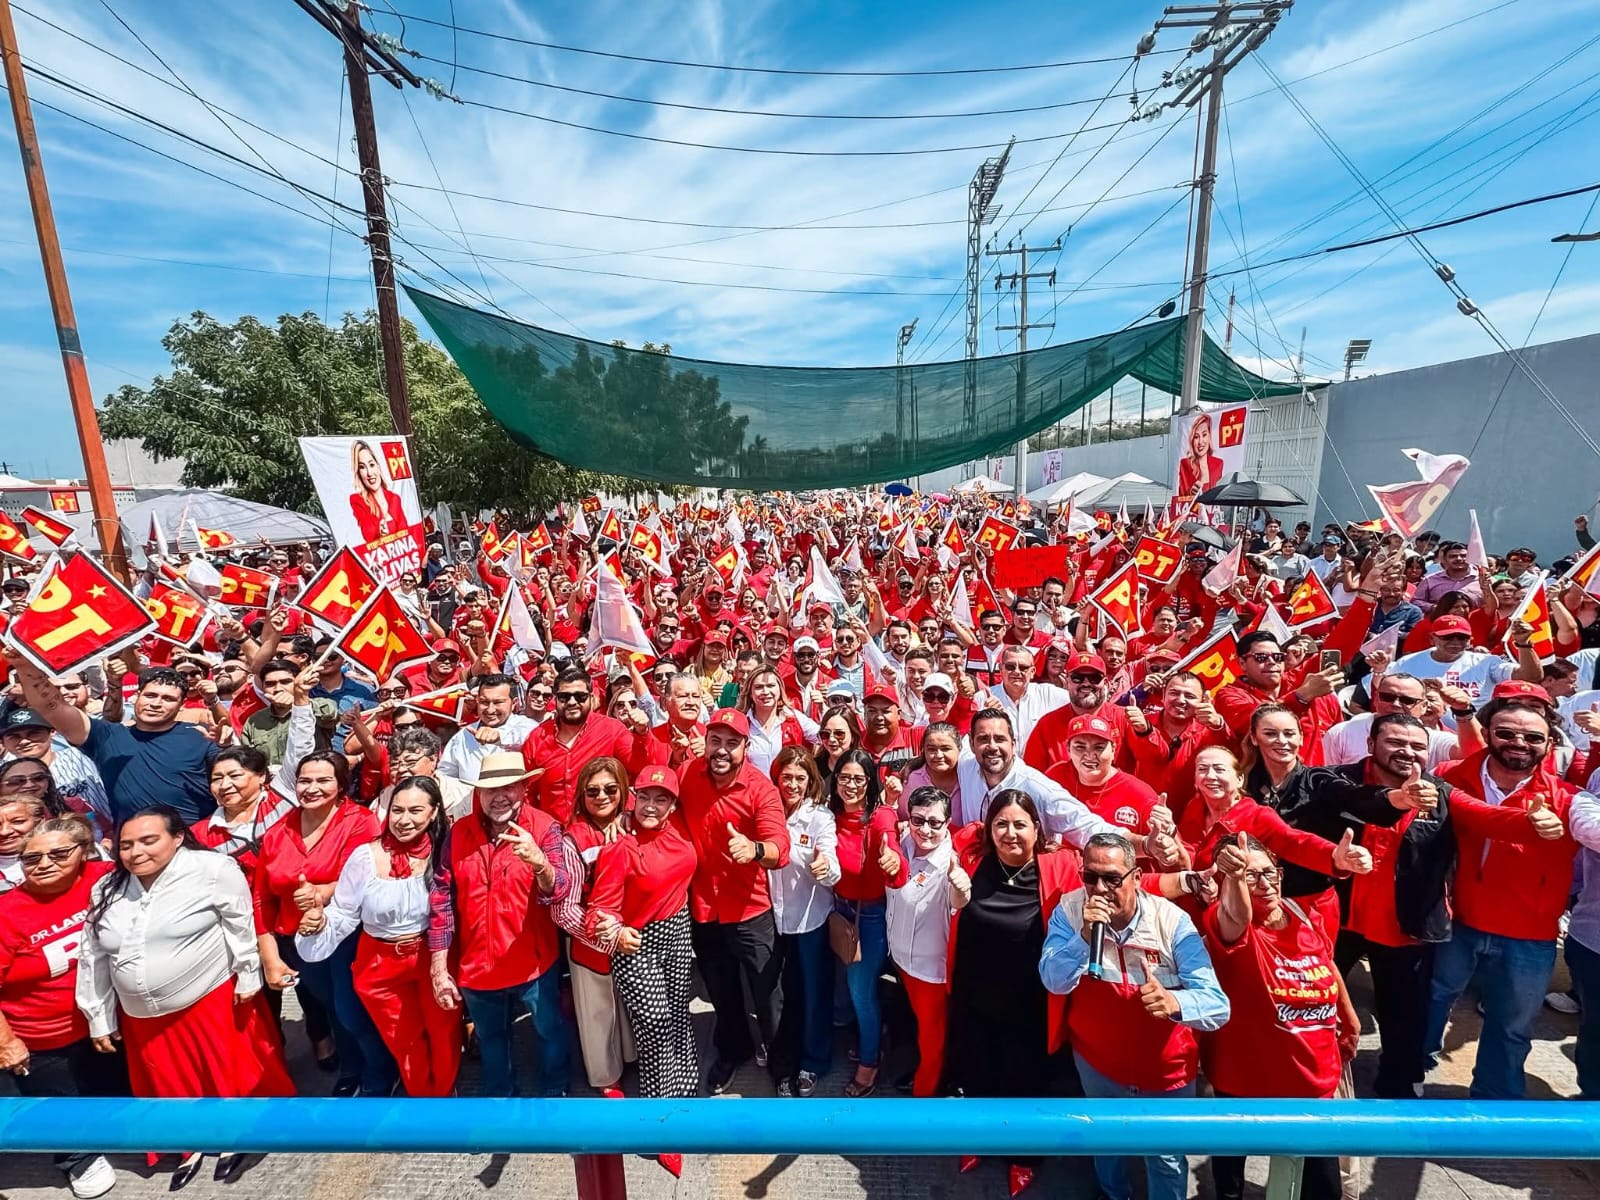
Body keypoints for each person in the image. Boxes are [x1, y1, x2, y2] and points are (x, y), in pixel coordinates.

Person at [78, 807, 292, 1189]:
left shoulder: (212, 869)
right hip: (140, 1014)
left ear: (177, 837)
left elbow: (240, 923)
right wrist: (99, 1016)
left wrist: (247, 977)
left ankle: (235, 1138)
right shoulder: (106, 887)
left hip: (210, 998)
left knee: (227, 1071)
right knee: (169, 1081)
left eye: (148, 840)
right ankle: (189, 1143)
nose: (135, 852)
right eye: (126, 845)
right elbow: (92, 955)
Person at [1040, 831, 1230, 1200]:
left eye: (1111, 878)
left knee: (1165, 1159)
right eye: (1090, 877)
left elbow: (1217, 1005)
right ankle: (1114, 1194)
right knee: (1104, 1143)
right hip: (1097, 1065)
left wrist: (1177, 1005)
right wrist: (1082, 938)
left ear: (1136, 878)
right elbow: (1053, 981)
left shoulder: (1171, 921)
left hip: (1165, 1075)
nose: (1099, 889)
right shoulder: (1069, 910)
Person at [1425, 697, 1583, 1098]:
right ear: (1487, 733)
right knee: (1428, 1005)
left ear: (1550, 744)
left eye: (1533, 737)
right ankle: (1407, 1078)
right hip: (1455, 923)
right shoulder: (1447, 777)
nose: (1519, 742)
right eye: (1507, 733)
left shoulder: (1568, 799)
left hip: (1530, 933)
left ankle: (1496, 1104)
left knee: (1512, 1027)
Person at [1202, 834, 1355, 1200]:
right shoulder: (1229, 923)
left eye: (1268, 873)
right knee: (1230, 1184)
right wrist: (1234, 879)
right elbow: (1235, 912)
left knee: (1323, 1189)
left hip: (1312, 1079)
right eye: (1249, 876)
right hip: (1245, 1079)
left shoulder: (1302, 913)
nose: (1264, 884)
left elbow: (1326, 961)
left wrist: (1349, 1017)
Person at [945, 791, 1081, 1195]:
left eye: (1020, 824)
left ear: (1037, 830)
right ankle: (978, 1140)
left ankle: (1023, 1155)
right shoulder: (972, 860)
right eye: (1001, 824)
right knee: (976, 1070)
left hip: (1029, 1001)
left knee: (1024, 1078)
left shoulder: (1059, 867)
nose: (1010, 833)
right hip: (973, 995)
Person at [298, 776, 460, 1098]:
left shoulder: (446, 850)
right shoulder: (364, 857)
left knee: (443, 1033)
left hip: (432, 956)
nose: (404, 820)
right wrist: (318, 924)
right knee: (404, 1038)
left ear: (433, 812)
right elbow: (344, 912)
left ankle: (443, 1098)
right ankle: (421, 1097)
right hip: (380, 964)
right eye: (397, 810)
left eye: (416, 810)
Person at [427, 752, 570, 1097]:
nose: (500, 796)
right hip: (477, 967)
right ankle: (501, 1101)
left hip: (533, 965)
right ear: (478, 793)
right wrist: (438, 966)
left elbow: (561, 888)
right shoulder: (459, 832)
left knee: (549, 1031)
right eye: (490, 789)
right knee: (491, 1039)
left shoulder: (544, 826)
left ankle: (557, 1092)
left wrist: (540, 864)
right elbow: (441, 897)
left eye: (509, 787)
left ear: (524, 788)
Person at [0, 816, 126, 1199]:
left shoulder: (105, 878)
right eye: (30, 858)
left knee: (111, 1098)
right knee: (58, 1107)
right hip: (40, 1037)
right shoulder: (8, 912)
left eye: (58, 853)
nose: (44, 863)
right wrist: (6, 1042)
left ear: (83, 852)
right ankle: (77, 1158)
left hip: (108, 1024)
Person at [1333, 714, 1457, 1099]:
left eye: (1418, 745)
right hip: (1337, 919)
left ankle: (1399, 1088)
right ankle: (1318, 1078)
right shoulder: (1335, 783)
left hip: (1406, 924)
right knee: (1317, 1002)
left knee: (1403, 1015)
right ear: (1371, 744)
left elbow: (1485, 821)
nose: (1407, 752)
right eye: (1395, 742)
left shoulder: (1444, 794)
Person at [255, 752, 393, 1097]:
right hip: (300, 942)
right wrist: (270, 954)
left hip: (349, 937)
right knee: (332, 1010)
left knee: (351, 1010)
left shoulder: (360, 821)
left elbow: (365, 876)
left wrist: (324, 892)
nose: (311, 788)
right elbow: (261, 897)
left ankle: (381, 1071)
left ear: (341, 784)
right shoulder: (277, 832)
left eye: (322, 780)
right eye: (304, 780)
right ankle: (351, 1068)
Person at [676, 708, 790, 1093]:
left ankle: (780, 1062)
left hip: (749, 909)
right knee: (721, 990)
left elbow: (780, 847)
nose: (721, 750)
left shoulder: (761, 789)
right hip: (704, 907)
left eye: (732, 743)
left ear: (746, 747)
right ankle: (733, 1050)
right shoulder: (689, 774)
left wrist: (756, 848)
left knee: (768, 994)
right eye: (715, 741)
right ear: (705, 743)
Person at [588, 764, 699, 1115]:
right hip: (638, 944)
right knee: (654, 1024)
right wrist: (615, 932)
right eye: (645, 797)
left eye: (662, 799)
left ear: (673, 806)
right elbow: (597, 911)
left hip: (679, 931)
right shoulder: (620, 848)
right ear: (632, 800)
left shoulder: (677, 829)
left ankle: (685, 1088)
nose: (652, 806)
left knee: (679, 1014)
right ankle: (658, 1113)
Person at [4, 652, 218, 825]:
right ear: (137, 696)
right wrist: (24, 666)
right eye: (150, 695)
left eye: (168, 699)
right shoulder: (105, 736)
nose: (156, 703)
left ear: (181, 706)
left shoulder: (200, 736)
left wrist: (226, 746)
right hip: (134, 853)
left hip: (195, 846)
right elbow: (52, 706)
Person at [826, 747, 908, 1096]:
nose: (851, 785)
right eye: (844, 778)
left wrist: (892, 860)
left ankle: (870, 1063)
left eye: (859, 779)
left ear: (869, 782)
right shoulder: (828, 817)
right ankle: (866, 1038)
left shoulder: (878, 819)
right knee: (848, 989)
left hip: (868, 917)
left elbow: (895, 858)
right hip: (838, 911)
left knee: (862, 994)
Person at [555, 757, 636, 1093]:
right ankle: (606, 1077)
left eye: (610, 789)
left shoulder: (635, 823)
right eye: (592, 791)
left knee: (631, 1003)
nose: (601, 796)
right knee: (596, 1012)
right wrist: (602, 935)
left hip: (634, 931)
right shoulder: (572, 839)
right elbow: (563, 909)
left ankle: (631, 1058)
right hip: (591, 939)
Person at [886, 785, 969, 1098]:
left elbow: (958, 900)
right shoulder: (903, 841)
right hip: (901, 960)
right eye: (918, 820)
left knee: (931, 1043)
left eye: (935, 823)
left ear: (947, 823)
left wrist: (961, 887)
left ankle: (922, 1105)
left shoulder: (950, 864)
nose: (925, 829)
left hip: (930, 973)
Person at [766, 746, 838, 1098]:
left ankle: (813, 1060)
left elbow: (830, 858)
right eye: (786, 777)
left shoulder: (820, 818)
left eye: (800, 778)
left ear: (811, 781)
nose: (792, 784)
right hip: (771, 919)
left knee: (813, 993)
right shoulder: (766, 813)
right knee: (780, 996)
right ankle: (783, 1061)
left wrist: (826, 868)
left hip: (809, 919)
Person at [522, 667, 654, 823]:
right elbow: (527, 793)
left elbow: (640, 769)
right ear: (555, 699)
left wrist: (642, 734)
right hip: (554, 836)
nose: (572, 702)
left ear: (591, 698)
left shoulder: (612, 730)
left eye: (580, 696)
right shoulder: (537, 738)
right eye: (564, 697)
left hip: (602, 832)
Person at [1213, 632, 1344, 765]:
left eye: (1278, 657)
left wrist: (1363, 610)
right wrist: (1300, 697)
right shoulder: (1228, 695)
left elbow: (1342, 645)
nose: (1271, 662)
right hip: (1261, 782)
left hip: (1314, 779)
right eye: (1261, 657)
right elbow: (1260, 720)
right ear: (1242, 663)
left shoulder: (1295, 681)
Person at [0, 702, 109, 837]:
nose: (24, 741)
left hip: (104, 834)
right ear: (3, 742)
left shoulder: (81, 756)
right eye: (14, 736)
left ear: (52, 732)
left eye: (33, 733)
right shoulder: (5, 775)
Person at [1321, 669, 1458, 769]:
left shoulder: (1435, 739)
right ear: (1375, 700)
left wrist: (1464, 711)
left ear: (1424, 707)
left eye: (1407, 700)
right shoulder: (1342, 732)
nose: (1396, 704)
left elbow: (1472, 754)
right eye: (1388, 697)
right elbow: (1325, 775)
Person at [437, 673, 538, 782]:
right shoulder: (463, 736)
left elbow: (528, 736)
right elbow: (446, 775)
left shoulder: (528, 727)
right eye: (484, 702)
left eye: (498, 702)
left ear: (514, 703)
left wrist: (499, 736)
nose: (490, 710)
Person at [740, 667, 818, 777]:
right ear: (750, 692)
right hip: (753, 791)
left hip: (788, 790)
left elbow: (824, 736)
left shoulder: (794, 717)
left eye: (771, 686)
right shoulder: (742, 722)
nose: (765, 692)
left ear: (780, 689)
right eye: (759, 687)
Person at [348, 438, 408, 543]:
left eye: (371, 465)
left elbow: (406, 533)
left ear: (378, 467)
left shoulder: (395, 498)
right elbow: (368, 535)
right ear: (358, 473)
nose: (369, 473)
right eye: (362, 467)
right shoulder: (357, 500)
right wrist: (378, 533)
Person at [1176, 410, 1224, 501]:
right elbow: (1180, 497)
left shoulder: (1218, 463)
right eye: (1196, 437)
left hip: (1211, 512)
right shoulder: (1185, 463)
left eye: (1204, 435)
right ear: (1192, 440)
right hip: (1192, 512)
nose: (1200, 442)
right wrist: (1191, 493)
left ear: (1209, 436)